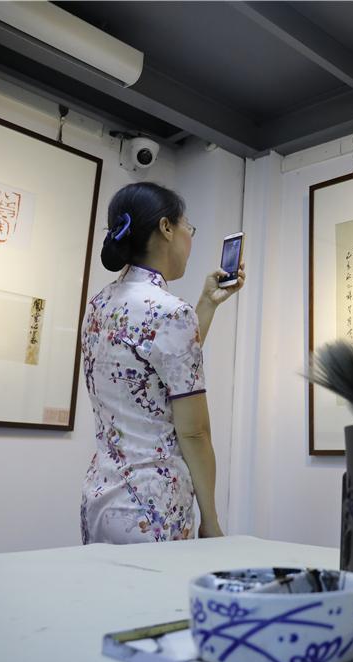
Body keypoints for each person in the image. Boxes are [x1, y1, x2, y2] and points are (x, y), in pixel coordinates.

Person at [80, 182, 244, 543]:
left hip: (100, 497)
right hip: (153, 506)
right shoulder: (170, 312)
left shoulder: (98, 305)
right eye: (188, 227)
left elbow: (157, 372)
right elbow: (194, 432)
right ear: (166, 227)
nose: (189, 238)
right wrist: (211, 520)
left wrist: (207, 303)